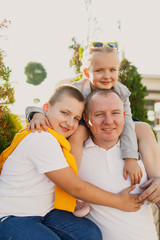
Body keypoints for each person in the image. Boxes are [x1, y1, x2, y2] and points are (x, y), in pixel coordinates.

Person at [0, 85, 143, 240]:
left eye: (76, 118)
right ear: (46, 109)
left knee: (90, 234)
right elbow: (76, 187)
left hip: (44, 212)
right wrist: (119, 201)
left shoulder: (58, 139)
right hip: (12, 216)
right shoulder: (41, 137)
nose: (69, 123)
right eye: (64, 113)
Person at [79, 89, 158, 240]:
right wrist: (35, 113)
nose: (108, 121)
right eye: (99, 114)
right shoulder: (77, 153)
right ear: (86, 118)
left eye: (115, 113)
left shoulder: (139, 148)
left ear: (124, 116)